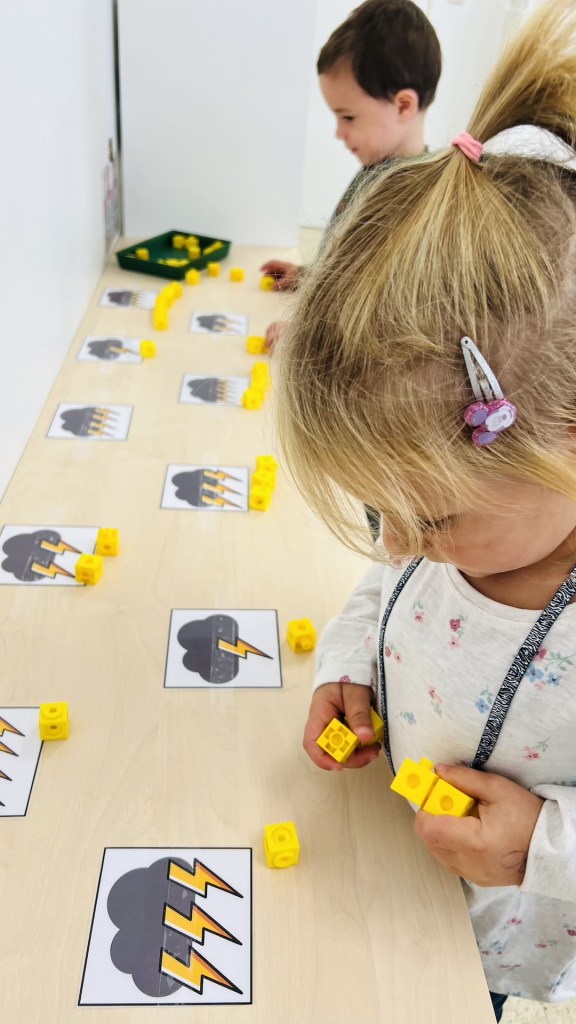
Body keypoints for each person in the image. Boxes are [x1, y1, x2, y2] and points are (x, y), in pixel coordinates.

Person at [274, 1, 576, 1019]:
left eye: (432, 518)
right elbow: (391, 586)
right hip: (383, 875)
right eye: (380, 507)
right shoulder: (440, 532)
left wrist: (541, 844)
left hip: (490, 947)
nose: (397, 540)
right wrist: (351, 665)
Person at [261, 0, 441, 349]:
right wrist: (309, 276)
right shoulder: (377, 169)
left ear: (404, 105)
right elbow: (350, 271)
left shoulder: (412, 199)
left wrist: (307, 338)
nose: (339, 133)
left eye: (348, 117)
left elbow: (383, 319)